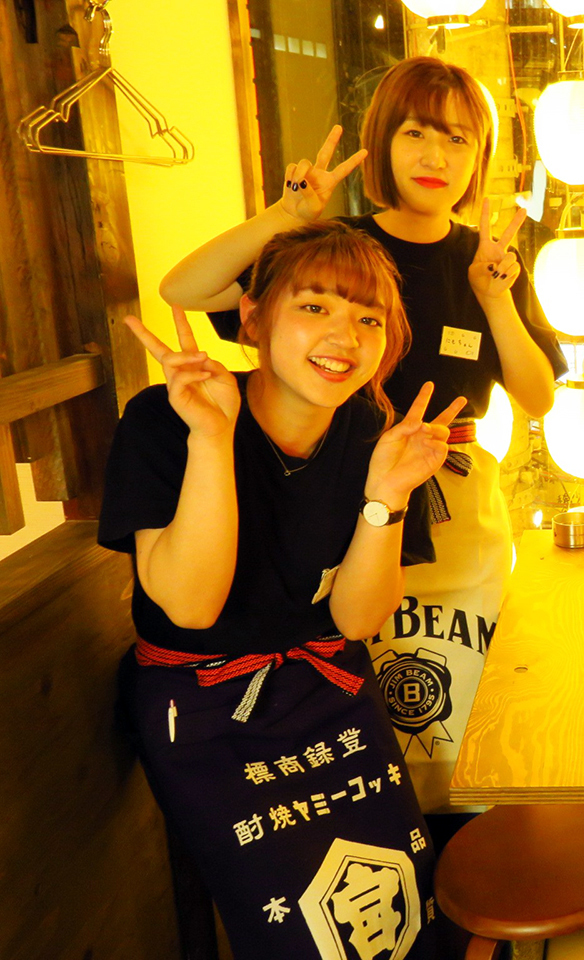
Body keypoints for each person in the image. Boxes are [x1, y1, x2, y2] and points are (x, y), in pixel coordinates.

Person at [159, 56, 567, 815]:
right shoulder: (336, 251)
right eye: (416, 132)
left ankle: (465, 840)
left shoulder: (488, 258)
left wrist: (495, 298)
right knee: (361, 677)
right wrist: (285, 217)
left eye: (458, 138)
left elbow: (538, 397)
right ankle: (386, 825)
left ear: (479, 156)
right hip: (342, 491)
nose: (436, 155)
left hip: (459, 500)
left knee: (462, 682)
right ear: (381, 143)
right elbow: (183, 289)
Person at [103, 222, 467, 959]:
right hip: (205, 711)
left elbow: (356, 619)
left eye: (368, 319)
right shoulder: (165, 416)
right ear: (253, 317)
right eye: (314, 307)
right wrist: (211, 439)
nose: (344, 336)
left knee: (406, 910)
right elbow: (190, 606)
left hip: (329, 690)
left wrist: (386, 497)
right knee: (304, 934)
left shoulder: (373, 429)